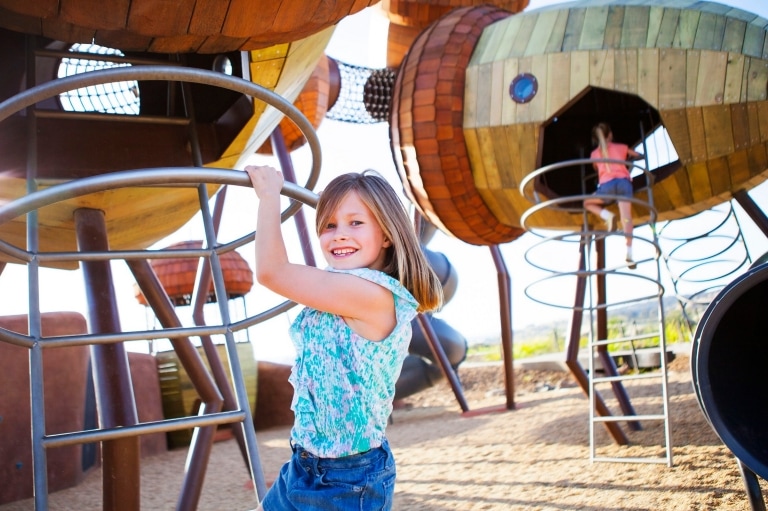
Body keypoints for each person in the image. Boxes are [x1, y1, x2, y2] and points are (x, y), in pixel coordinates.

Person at [245, 165, 443, 511]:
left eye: (355, 223)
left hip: (349, 478)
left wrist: (268, 197)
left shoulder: (373, 295)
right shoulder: (337, 291)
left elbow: (271, 272)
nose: (338, 235)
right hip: (303, 463)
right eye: (329, 225)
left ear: (385, 234)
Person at [583, 122, 644, 269]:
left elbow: (596, 167)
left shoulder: (594, 154)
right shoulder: (622, 147)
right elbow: (640, 156)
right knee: (627, 218)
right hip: (624, 183)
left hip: (607, 187)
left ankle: (608, 216)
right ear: (610, 135)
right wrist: (629, 158)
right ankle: (629, 253)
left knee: (587, 202)